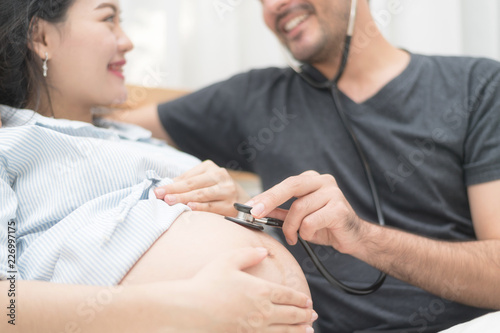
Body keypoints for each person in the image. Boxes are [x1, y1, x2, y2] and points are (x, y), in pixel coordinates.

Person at [115, 0, 500, 332]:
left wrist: (364, 238)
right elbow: (107, 120)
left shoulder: (477, 87)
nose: (273, 6)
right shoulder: (254, 99)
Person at [0, 1, 318, 332]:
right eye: (108, 19)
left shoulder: (138, 140)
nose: (127, 41)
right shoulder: (10, 143)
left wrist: (237, 201)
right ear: (42, 38)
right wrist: (185, 307)